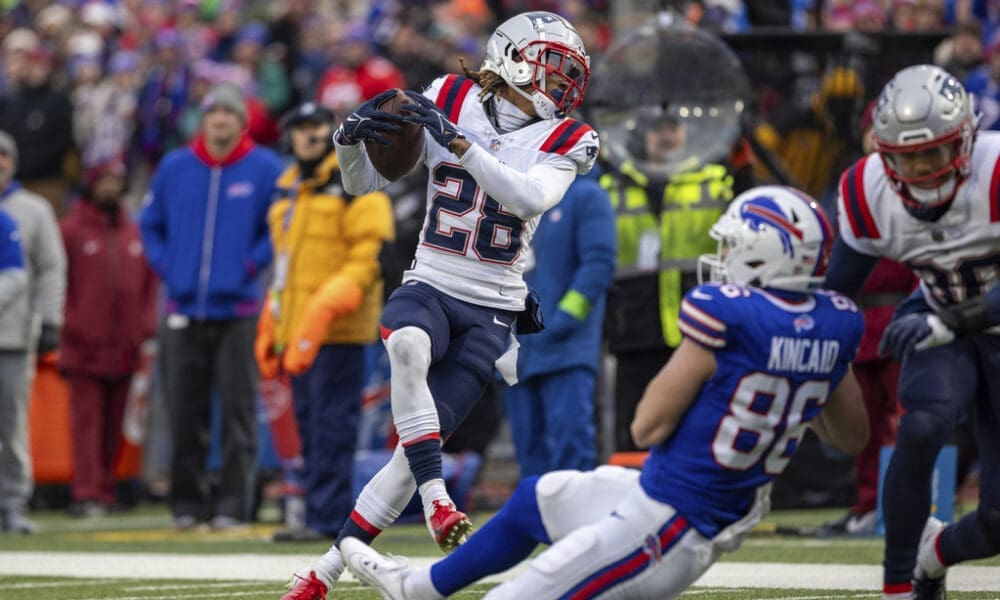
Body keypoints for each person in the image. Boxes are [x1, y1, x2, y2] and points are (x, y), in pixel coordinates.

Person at [340, 185, 869, 599]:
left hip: (672, 524)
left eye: (733, 246)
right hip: (695, 501)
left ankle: (415, 590)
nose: (723, 257)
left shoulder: (728, 314)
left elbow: (648, 426)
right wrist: (804, 371)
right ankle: (424, 590)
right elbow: (851, 436)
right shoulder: (832, 324)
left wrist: (721, 362)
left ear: (765, 255)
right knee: (537, 498)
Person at [280, 10, 598, 599]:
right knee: (404, 344)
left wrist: (458, 142)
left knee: (408, 456)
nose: (559, 88)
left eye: (565, 77)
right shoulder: (449, 94)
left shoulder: (569, 139)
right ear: (510, 60)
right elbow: (360, 185)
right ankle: (438, 501)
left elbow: (529, 197)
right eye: (550, 72)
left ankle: (323, 570)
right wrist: (346, 146)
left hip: (494, 307)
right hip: (431, 279)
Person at [822, 64, 1000, 599]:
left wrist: (954, 320)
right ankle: (898, 583)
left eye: (934, 153)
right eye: (905, 156)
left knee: (995, 521)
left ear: (965, 141)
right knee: (921, 426)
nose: (921, 168)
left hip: (966, 321)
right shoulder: (867, 189)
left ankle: (934, 554)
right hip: (934, 319)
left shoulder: (995, 171)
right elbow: (836, 293)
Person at [587, 22, 751, 452]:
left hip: (698, 330)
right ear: (641, 132)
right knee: (633, 432)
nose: (667, 133)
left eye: (673, 125)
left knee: (698, 430)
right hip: (633, 330)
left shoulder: (716, 179)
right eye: (657, 126)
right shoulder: (611, 183)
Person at [140, 82, 284, 531]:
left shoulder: (265, 168)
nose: (220, 119)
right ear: (203, 121)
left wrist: (247, 266)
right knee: (185, 411)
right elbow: (150, 225)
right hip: (182, 307)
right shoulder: (174, 166)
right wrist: (170, 268)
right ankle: (187, 505)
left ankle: (232, 506)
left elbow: (277, 228)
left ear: (241, 121)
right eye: (213, 113)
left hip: (239, 311)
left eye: (229, 113)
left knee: (239, 413)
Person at [258, 101, 394, 542]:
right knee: (309, 423)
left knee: (333, 425)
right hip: (298, 332)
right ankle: (319, 511)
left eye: (317, 126)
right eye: (300, 128)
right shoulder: (289, 188)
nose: (309, 135)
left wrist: (324, 308)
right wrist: (271, 322)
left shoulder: (354, 180)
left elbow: (369, 257)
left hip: (338, 332)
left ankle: (327, 517)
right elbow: (283, 266)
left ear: (331, 131)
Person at [59, 159, 158, 517]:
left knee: (114, 427)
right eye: (103, 180)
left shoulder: (134, 233)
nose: (110, 187)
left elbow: (149, 283)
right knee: (86, 424)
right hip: (83, 347)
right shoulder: (71, 230)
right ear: (90, 184)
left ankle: (105, 489)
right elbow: (59, 283)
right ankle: (85, 491)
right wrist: (72, 325)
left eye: (116, 180)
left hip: (125, 347)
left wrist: (144, 326)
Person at [503, 173, 615, 476]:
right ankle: (536, 520)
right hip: (516, 353)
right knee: (528, 453)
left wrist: (563, 321)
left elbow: (598, 266)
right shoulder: (510, 195)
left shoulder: (586, 195)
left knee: (571, 446)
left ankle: (575, 520)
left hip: (567, 352)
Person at [0, 130, 66, 534]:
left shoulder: (33, 210)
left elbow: (51, 268)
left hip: (13, 334)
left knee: (11, 425)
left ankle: (12, 503)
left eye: (3, 157)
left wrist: (50, 320)